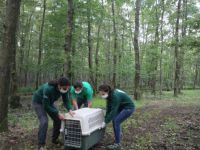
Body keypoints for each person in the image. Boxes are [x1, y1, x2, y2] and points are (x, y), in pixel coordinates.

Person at [32, 77, 74, 150]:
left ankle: (54, 140)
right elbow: (46, 106)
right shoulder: (48, 89)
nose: (66, 90)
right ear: (59, 85)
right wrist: (57, 113)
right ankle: (41, 145)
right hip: (39, 102)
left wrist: (70, 109)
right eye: (64, 88)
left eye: (67, 88)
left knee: (58, 120)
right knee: (44, 121)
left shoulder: (65, 89)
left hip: (49, 102)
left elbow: (66, 100)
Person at [98, 84, 135, 150]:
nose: (102, 96)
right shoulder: (109, 95)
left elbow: (113, 111)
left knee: (116, 121)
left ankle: (118, 144)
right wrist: (105, 119)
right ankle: (119, 136)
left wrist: (105, 122)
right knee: (114, 120)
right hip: (121, 107)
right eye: (100, 94)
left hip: (129, 108)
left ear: (107, 91)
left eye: (103, 94)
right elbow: (109, 108)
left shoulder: (115, 96)